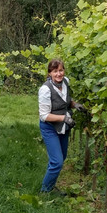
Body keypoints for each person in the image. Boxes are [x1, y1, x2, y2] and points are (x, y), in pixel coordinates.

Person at [38, 59, 84, 195]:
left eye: (61, 70)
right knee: (57, 161)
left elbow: (65, 101)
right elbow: (44, 116)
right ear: (50, 73)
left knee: (60, 159)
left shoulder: (66, 82)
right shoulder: (45, 89)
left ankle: (50, 185)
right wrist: (64, 118)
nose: (59, 74)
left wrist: (75, 104)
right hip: (50, 127)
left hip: (64, 126)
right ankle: (45, 192)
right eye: (55, 71)